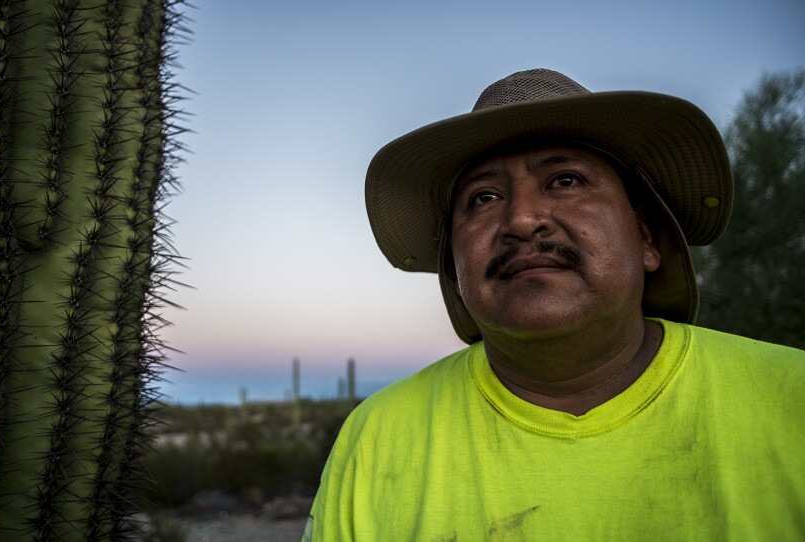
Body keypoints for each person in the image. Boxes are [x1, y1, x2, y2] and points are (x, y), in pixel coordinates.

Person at [303, 69, 805, 541]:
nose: (521, 219)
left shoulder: (792, 400)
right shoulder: (376, 439)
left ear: (647, 237)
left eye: (565, 180)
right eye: (482, 198)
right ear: (455, 270)